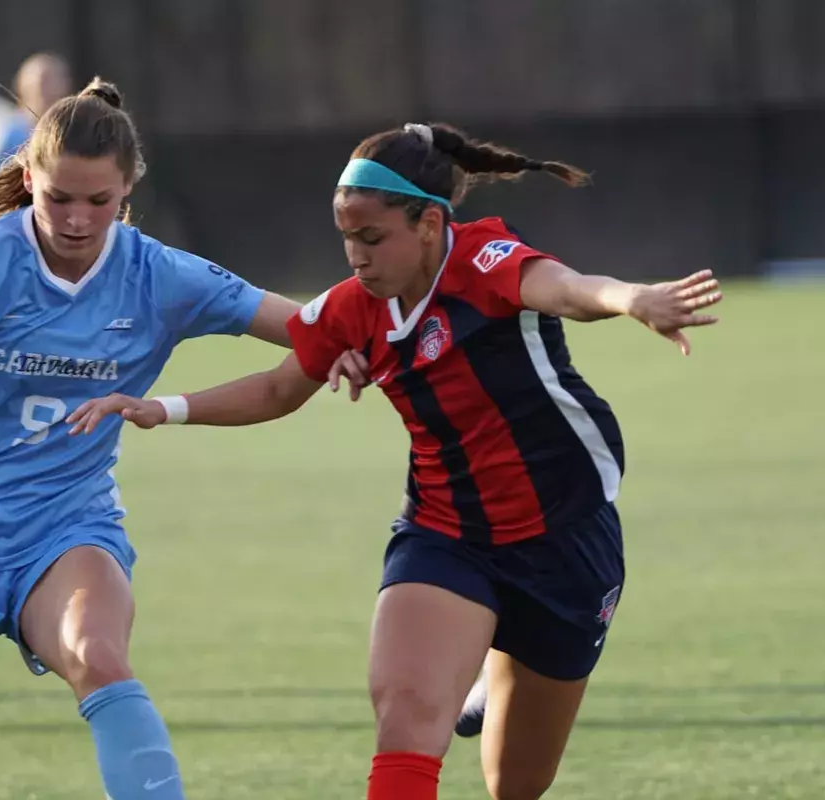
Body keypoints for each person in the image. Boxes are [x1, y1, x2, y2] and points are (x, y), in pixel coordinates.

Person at [66, 122, 724, 799]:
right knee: (406, 721)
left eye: (372, 238)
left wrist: (632, 299)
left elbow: (568, 289)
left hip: (566, 538)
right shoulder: (354, 309)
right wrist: (164, 407)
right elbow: (277, 388)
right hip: (447, 534)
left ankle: (493, 670)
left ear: (431, 224)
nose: (355, 256)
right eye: (347, 237)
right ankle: (470, 663)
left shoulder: (484, 260)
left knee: (514, 785)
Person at [0, 78, 362, 800]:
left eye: (100, 201)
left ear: (129, 189)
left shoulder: (158, 274)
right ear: (27, 177)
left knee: (99, 655)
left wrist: (348, 341)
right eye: (58, 197)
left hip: (64, 527)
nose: (76, 218)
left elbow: (306, 326)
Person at [0, 52, 71, 175]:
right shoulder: (7, 133)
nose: (42, 88)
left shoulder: (73, 129)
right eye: (39, 81)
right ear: (22, 85)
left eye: (49, 80)